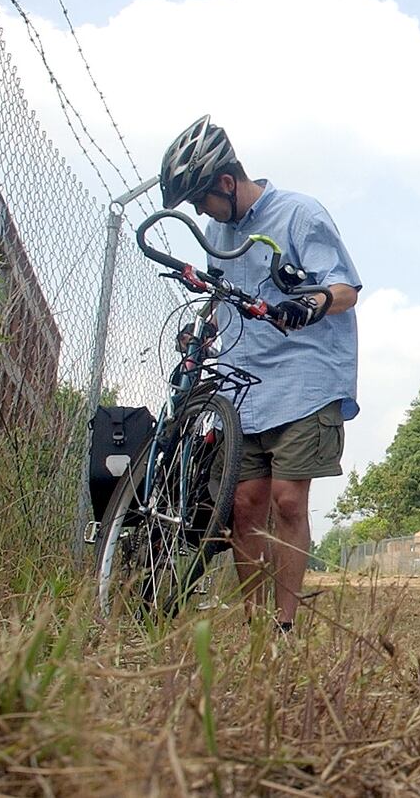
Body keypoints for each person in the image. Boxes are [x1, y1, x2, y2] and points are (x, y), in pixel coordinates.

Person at [159, 115, 361, 633]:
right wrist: (202, 333)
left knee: (287, 500)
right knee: (245, 506)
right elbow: (224, 296)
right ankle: (256, 626)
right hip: (242, 382)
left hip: (304, 377)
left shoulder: (300, 214)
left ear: (226, 183)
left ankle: (285, 627)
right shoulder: (217, 231)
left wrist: (311, 303)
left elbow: (345, 288)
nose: (202, 211)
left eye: (202, 198)